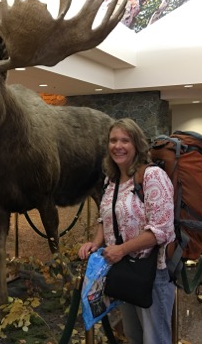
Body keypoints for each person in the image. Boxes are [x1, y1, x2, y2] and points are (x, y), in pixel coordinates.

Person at [78, 118, 176, 344]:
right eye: (113, 140)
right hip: (125, 270)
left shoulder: (152, 176)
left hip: (152, 272)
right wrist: (96, 242)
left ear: (137, 145)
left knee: (155, 339)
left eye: (125, 140)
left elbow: (161, 230)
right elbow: (105, 216)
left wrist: (121, 249)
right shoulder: (112, 180)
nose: (117, 146)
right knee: (133, 336)